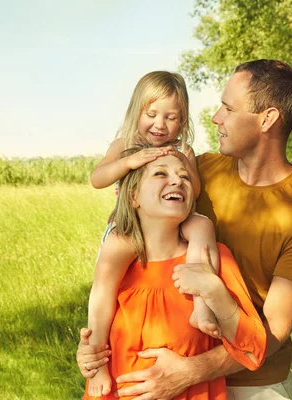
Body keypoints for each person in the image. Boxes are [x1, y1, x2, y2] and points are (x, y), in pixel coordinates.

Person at [77, 59, 292, 399]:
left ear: (267, 119)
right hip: (161, 364)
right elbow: (136, 263)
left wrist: (190, 371)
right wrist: (97, 350)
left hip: (251, 381)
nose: (215, 117)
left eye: (228, 108)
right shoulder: (197, 170)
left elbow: (272, 333)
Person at [83, 147, 266, 400]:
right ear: (133, 195)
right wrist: (92, 360)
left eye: (185, 177)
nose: (177, 180)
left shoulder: (212, 257)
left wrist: (211, 289)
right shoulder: (119, 262)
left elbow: (252, 349)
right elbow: (98, 313)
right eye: (160, 173)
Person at [87, 71, 222, 396]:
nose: (160, 124)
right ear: (137, 112)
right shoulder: (125, 144)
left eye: (171, 117)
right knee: (106, 290)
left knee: (203, 226)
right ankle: (97, 364)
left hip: (174, 222)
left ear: (183, 120)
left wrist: (181, 166)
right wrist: (131, 161)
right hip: (130, 225)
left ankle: (201, 303)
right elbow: (98, 178)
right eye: (152, 114)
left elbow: (195, 190)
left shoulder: (183, 150)